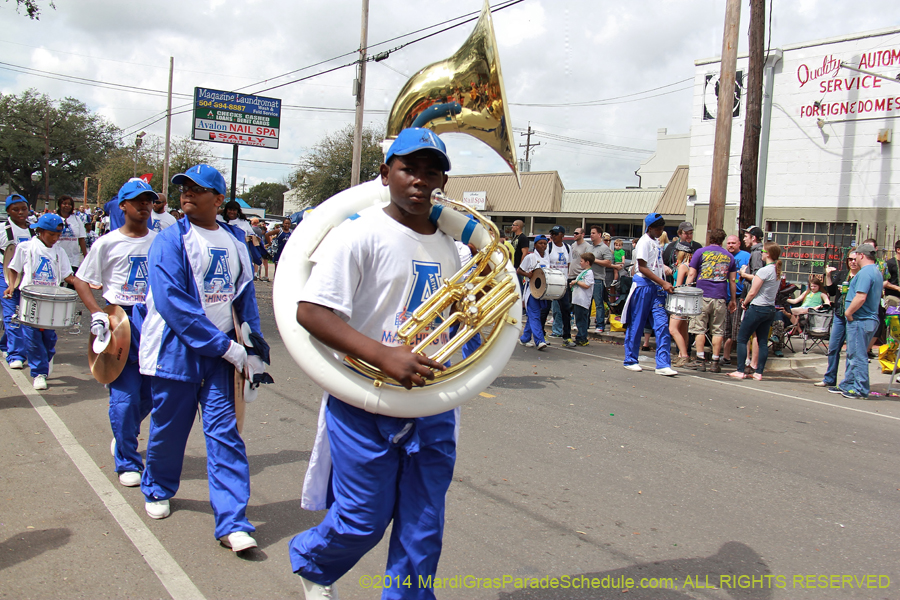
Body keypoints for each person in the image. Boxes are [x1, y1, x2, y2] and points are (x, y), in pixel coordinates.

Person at [288, 128, 461, 599]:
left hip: (431, 405)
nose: (420, 181)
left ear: (443, 179)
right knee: (362, 518)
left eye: (432, 172)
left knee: (423, 529)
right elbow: (312, 311)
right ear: (386, 174)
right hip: (365, 399)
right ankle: (314, 563)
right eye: (408, 169)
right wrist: (383, 354)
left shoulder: (457, 246)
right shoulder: (359, 233)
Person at [138, 164, 269, 554]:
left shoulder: (235, 241)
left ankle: (232, 520)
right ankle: (158, 486)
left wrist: (254, 353)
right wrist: (226, 347)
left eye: (198, 189)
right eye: (183, 188)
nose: (187, 194)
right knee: (169, 428)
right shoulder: (169, 239)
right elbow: (174, 305)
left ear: (218, 199)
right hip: (176, 349)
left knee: (225, 433)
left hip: (221, 355)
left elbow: (245, 301)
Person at [73, 179, 157, 488]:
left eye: (148, 200)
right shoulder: (106, 243)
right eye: (137, 201)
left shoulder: (161, 241)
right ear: (123, 206)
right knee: (124, 398)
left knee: (151, 396)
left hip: (154, 323)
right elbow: (82, 280)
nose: (144, 205)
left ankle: (124, 435)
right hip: (120, 320)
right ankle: (127, 460)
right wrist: (97, 312)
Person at [4, 213, 76, 390]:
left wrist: (84, 283)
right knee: (32, 336)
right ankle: (39, 373)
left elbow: (68, 276)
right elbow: (14, 268)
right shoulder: (25, 247)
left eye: (58, 235)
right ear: (40, 231)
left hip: (51, 300)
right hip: (30, 298)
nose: (55, 238)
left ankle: (46, 357)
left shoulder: (59, 251)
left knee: (49, 338)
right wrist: (12, 286)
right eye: (52, 234)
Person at [621, 213, 676, 376]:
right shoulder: (644, 242)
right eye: (659, 229)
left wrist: (663, 271)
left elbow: (654, 264)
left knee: (662, 325)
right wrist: (663, 282)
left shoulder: (656, 242)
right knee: (637, 323)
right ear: (650, 228)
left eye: (662, 229)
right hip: (644, 286)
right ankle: (630, 359)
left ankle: (663, 364)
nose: (661, 232)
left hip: (656, 288)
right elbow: (643, 267)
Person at [831, 243, 883, 399]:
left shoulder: (866, 273)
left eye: (856, 256)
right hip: (865, 319)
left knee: (858, 354)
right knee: (853, 353)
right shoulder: (875, 271)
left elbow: (861, 297)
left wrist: (848, 312)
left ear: (861, 255)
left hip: (861, 319)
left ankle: (860, 388)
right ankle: (849, 383)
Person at [684, 228, 737, 373]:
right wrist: (733, 299)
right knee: (718, 330)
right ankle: (715, 361)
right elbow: (732, 280)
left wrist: (687, 292)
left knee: (699, 328)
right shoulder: (729, 256)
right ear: (723, 240)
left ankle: (700, 360)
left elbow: (691, 273)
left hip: (702, 295)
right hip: (720, 297)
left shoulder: (700, 252)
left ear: (710, 238)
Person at [729, 242, 782, 381]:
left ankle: (740, 370)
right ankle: (759, 372)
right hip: (769, 308)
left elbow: (753, 291)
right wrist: (746, 274)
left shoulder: (764, 271)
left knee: (742, 338)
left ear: (768, 254)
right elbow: (759, 282)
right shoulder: (776, 270)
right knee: (762, 341)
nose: (762, 253)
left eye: (764, 251)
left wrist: (745, 303)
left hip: (758, 307)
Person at [815, 251, 859, 388]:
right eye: (850, 259)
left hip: (853, 315)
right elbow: (832, 291)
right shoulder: (842, 274)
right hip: (839, 314)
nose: (852, 262)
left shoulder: (861, 276)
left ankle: (848, 382)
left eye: (855, 259)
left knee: (851, 350)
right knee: (833, 347)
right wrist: (828, 275)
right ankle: (830, 378)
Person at [0, 194, 34, 369]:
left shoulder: (34, 230)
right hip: (6, 274)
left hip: (28, 276)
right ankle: (16, 355)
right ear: (8, 211)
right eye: (15, 209)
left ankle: (5, 344)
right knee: (12, 313)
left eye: (23, 208)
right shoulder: (2, 230)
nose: (20, 212)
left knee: (25, 313)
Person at [738, 225, 766, 373]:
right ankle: (752, 364)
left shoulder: (756, 254)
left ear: (753, 238)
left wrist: (743, 274)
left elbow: (756, 277)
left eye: (746, 236)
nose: (744, 239)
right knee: (755, 333)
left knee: (752, 332)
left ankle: (752, 364)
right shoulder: (758, 252)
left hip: (755, 299)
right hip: (756, 298)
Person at [518, 235, 551, 350]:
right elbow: (519, 270)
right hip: (531, 290)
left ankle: (525, 338)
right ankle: (540, 340)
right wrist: (528, 274)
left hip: (542, 291)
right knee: (535, 315)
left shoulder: (548, 258)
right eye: (540, 243)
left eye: (545, 243)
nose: (543, 245)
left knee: (533, 315)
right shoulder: (530, 257)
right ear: (535, 245)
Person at [722, 235, 750, 365]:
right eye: (728, 243)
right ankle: (726, 357)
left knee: (738, 329)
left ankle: (745, 359)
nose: (731, 245)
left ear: (739, 244)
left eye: (733, 243)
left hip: (739, 297)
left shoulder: (746, 256)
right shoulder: (724, 256)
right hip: (724, 296)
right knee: (725, 330)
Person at [547, 225, 574, 347]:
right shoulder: (549, 247)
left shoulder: (567, 248)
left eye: (555, 234)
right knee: (545, 309)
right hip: (551, 283)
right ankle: (541, 335)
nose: (553, 236)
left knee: (566, 310)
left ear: (562, 235)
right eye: (552, 233)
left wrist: (567, 280)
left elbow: (568, 265)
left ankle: (567, 336)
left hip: (563, 283)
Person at [669, 250, 693, 368]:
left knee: (672, 329)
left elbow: (677, 286)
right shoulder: (690, 266)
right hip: (686, 301)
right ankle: (681, 354)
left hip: (679, 300)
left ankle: (684, 355)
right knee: (683, 328)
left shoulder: (683, 266)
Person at [589, 226, 614, 333]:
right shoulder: (589, 248)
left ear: (599, 235)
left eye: (593, 233)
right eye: (590, 233)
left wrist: (594, 260)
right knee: (587, 303)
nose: (591, 235)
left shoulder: (604, 248)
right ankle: (585, 324)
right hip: (588, 279)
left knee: (599, 303)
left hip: (598, 279)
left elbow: (608, 263)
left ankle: (600, 325)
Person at [56, 195, 88, 274]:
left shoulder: (77, 220)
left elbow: (81, 239)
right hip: (57, 258)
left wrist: (86, 256)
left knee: (72, 283)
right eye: (64, 203)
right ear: (60, 205)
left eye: (69, 204)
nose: (67, 206)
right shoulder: (54, 218)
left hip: (73, 259)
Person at [571, 253, 595, 346]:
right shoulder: (583, 272)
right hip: (577, 299)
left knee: (582, 320)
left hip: (583, 300)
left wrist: (576, 282)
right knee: (578, 319)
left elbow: (587, 285)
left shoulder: (589, 273)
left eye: (581, 261)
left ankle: (582, 337)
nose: (580, 263)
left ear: (587, 262)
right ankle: (579, 336)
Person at [884, 240, 900, 308]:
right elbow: (884, 282)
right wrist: (897, 288)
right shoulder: (889, 263)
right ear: (898, 250)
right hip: (893, 297)